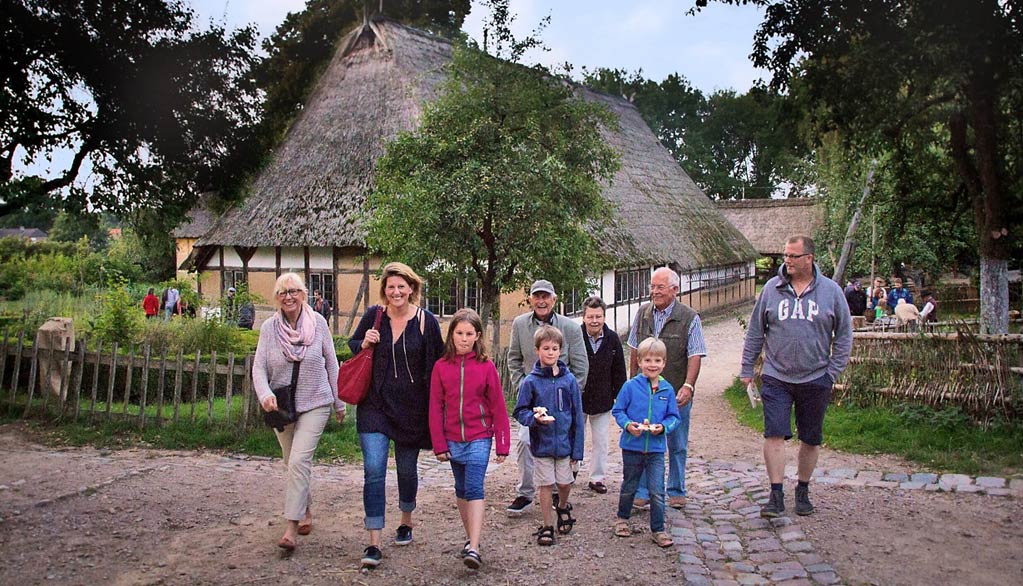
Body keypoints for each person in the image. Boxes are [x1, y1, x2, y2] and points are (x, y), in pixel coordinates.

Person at [740, 235, 853, 518]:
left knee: (810, 438)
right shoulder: (771, 289)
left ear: (809, 259)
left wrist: (832, 372)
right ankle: (775, 494)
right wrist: (746, 369)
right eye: (785, 255)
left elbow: (844, 335)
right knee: (774, 433)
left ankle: (802, 491)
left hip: (816, 377)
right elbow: (756, 331)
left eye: (793, 256)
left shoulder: (831, 292)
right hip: (777, 376)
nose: (787, 261)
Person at [348, 262, 444, 569]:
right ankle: (373, 541)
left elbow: (437, 365)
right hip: (374, 405)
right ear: (384, 290)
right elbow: (352, 344)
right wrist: (364, 343)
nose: (396, 291)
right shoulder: (374, 316)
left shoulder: (426, 322)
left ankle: (405, 518)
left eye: (402, 286)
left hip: (411, 409)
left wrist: (437, 408)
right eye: (391, 286)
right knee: (374, 469)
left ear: (412, 289)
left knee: (406, 469)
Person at [253, 272, 344, 552]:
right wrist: (265, 395)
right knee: (290, 461)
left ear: (304, 294)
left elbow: (331, 362)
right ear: (277, 298)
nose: (288, 297)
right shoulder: (269, 328)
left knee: (298, 461)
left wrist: (339, 402)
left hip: (316, 402)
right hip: (283, 406)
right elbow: (258, 368)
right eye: (282, 293)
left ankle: (291, 527)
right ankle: (304, 508)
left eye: (293, 291)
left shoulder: (318, 324)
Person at [428, 309, 511, 570]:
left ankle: (474, 547)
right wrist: (438, 444)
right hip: (452, 438)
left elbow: (498, 406)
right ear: (452, 335)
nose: (464, 339)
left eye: (469, 334)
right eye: (459, 333)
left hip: (479, 437)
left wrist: (503, 442)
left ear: (477, 337)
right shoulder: (441, 367)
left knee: (474, 487)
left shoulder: (486, 367)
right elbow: (435, 407)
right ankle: (469, 538)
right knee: (461, 489)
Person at [505, 279, 588, 516]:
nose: (541, 301)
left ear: (554, 299)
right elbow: (513, 360)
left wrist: (568, 395)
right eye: (536, 296)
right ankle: (525, 492)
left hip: (562, 398)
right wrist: (524, 389)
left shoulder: (570, 327)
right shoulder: (520, 324)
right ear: (530, 299)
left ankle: (558, 492)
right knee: (525, 442)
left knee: (563, 444)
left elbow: (581, 366)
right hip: (533, 398)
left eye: (546, 296)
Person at [626, 267, 705, 510]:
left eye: (660, 287)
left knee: (677, 443)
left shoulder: (689, 317)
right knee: (643, 441)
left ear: (674, 289)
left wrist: (688, 386)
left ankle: (676, 489)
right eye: (652, 287)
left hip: (673, 392)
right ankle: (643, 491)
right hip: (645, 392)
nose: (654, 292)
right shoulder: (643, 313)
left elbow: (695, 354)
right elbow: (633, 349)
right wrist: (631, 384)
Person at [512, 325, 584, 546]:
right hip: (542, 444)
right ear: (537, 350)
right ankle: (547, 524)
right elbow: (520, 411)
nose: (550, 352)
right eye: (546, 348)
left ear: (560, 351)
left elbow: (577, 416)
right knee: (545, 485)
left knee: (564, 483)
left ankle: (562, 506)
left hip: (564, 444)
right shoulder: (531, 382)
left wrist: (577, 449)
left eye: (554, 348)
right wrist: (534, 420)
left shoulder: (569, 380)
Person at [611, 337, 681, 548]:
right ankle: (623, 518)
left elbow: (674, 417)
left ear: (664, 363)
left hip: (656, 449)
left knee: (657, 489)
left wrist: (663, 427)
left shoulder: (667, 390)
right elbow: (618, 411)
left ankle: (658, 529)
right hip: (632, 446)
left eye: (657, 361)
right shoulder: (630, 386)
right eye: (648, 360)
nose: (653, 365)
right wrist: (628, 425)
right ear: (639, 362)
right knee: (630, 485)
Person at [580, 296, 626, 494]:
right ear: (583, 318)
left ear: (604, 317)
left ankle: (596, 478)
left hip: (603, 398)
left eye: (598, 316)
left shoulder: (613, 338)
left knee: (601, 440)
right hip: (579, 397)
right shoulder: (576, 336)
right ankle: (571, 472)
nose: (594, 321)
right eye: (590, 316)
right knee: (575, 438)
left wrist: (620, 396)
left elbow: (619, 370)